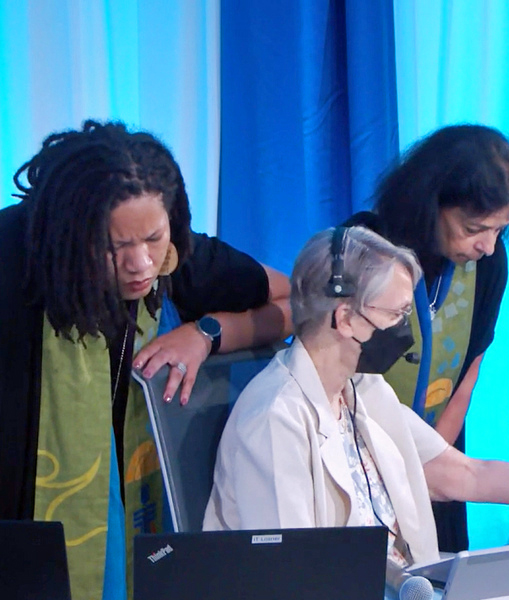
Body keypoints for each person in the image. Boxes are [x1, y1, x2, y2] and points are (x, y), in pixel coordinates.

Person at [204, 225, 509, 568]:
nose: (404, 332)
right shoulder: (274, 419)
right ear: (345, 319)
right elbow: (292, 575)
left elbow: (464, 475)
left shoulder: (365, 391)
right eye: (395, 315)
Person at [0, 120, 292, 600]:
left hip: (138, 524)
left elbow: (299, 303)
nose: (141, 264)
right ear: (70, 235)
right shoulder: (15, 258)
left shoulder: (176, 257)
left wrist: (207, 334)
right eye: (114, 247)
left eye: (153, 238)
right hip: (21, 540)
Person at [346, 123, 509, 551]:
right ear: (429, 204)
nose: (487, 245)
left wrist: (433, 459)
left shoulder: (490, 263)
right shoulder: (362, 248)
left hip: (437, 451)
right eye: (473, 229)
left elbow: (471, 366)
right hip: (360, 461)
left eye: (498, 229)